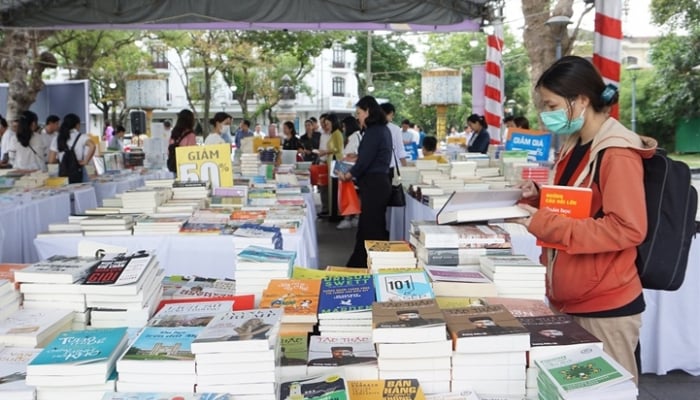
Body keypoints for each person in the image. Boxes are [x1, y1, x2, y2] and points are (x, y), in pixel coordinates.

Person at [514, 55, 656, 386]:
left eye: (551, 104)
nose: (546, 114)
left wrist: (544, 222)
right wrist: (536, 197)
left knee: (607, 392)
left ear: (580, 100)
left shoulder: (616, 152)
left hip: (605, 304)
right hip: (573, 297)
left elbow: (627, 227)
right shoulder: (576, 144)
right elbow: (578, 207)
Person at [339, 96, 392, 267]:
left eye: (359, 113)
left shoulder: (373, 131)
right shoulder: (382, 130)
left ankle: (366, 263)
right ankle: (368, 261)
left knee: (370, 226)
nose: (358, 117)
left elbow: (365, 161)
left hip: (374, 184)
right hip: (378, 183)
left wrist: (349, 174)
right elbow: (370, 156)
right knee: (371, 224)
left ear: (368, 111)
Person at [48, 113, 96, 182]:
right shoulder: (82, 137)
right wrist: (85, 161)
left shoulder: (57, 138)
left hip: (62, 174)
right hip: (77, 173)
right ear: (77, 125)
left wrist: (61, 160)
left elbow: (51, 160)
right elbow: (92, 145)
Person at [336, 116, 362, 230]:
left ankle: (351, 217)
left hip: (351, 169)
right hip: (346, 167)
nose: (343, 129)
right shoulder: (352, 136)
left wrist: (348, 158)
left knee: (351, 193)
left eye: (344, 126)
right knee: (348, 193)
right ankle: (350, 216)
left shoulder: (355, 136)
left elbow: (356, 155)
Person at [318, 113, 344, 220]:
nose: (326, 126)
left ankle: (335, 214)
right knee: (331, 189)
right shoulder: (334, 133)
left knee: (334, 190)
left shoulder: (337, 133)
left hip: (335, 162)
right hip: (331, 162)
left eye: (328, 124)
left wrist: (326, 151)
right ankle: (332, 213)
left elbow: (338, 149)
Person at [379, 103, 407, 179]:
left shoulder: (372, 128)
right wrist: (405, 166)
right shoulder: (395, 129)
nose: (393, 117)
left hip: (375, 169)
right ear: (390, 113)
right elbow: (400, 150)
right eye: (392, 115)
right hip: (391, 167)